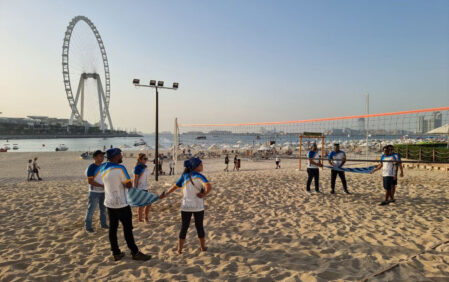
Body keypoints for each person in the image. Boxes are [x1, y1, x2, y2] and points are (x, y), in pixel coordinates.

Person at [101, 148, 151, 261]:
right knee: (127, 229)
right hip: (122, 204)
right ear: (115, 156)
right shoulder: (120, 168)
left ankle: (116, 253)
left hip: (109, 203)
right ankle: (135, 252)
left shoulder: (103, 168)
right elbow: (128, 184)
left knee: (112, 229)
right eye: (120, 155)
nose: (121, 156)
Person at [160, 157, 212, 254]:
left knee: (184, 227)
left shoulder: (184, 176)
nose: (202, 166)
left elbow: (174, 187)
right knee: (199, 226)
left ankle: (179, 249)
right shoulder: (200, 176)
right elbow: (208, 186)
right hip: (198, 206)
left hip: (186, 206)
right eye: (200, 164)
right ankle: (203, 247)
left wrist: (165, 194)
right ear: (195, 166)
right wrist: (204, 194)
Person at [84, 150, 108, 233]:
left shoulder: (104, 166)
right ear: (94, 157)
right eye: (100, 156)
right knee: (91, 209)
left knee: (103, 209)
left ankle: (103, 224)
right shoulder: (91, 167)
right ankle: (88, 227)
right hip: (94, 191)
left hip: (103, 191)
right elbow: (90, 181)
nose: (102, 157)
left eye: (102, 156)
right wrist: (102, 186)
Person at [133, 153, 151, 223]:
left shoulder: (145, 167)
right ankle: (142, 219)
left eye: (146, 159)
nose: (146, 160)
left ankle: (143, 218)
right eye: (144, 159)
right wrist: (135, 189)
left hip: (145, 187)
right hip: (140, 188)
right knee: (144, 204)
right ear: (140, 159)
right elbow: (135, 179)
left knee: (147, 204)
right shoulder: (137, 167)